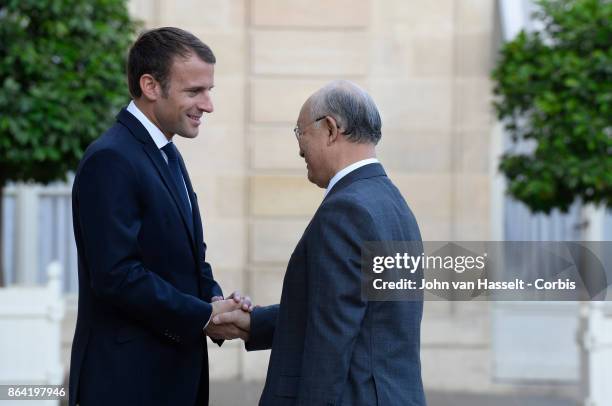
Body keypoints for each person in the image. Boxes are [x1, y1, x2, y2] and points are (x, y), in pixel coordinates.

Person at [213, 80, 426, 405]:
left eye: (300, 133)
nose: (299, 148)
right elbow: (348, 309)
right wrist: (254, 324)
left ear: (330, 129)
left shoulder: (346, 209)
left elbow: (331, 339)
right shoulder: (393, 205)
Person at [69, 27, 250, 406]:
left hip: (173, 378)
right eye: (194, 91)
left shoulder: (168, 152)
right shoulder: (111, 158)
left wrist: (217, 301)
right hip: (127, 383)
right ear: (150, 86)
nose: (208, 105)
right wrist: (204, 314)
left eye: (208, 91)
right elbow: (117, 277)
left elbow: (188, 260)